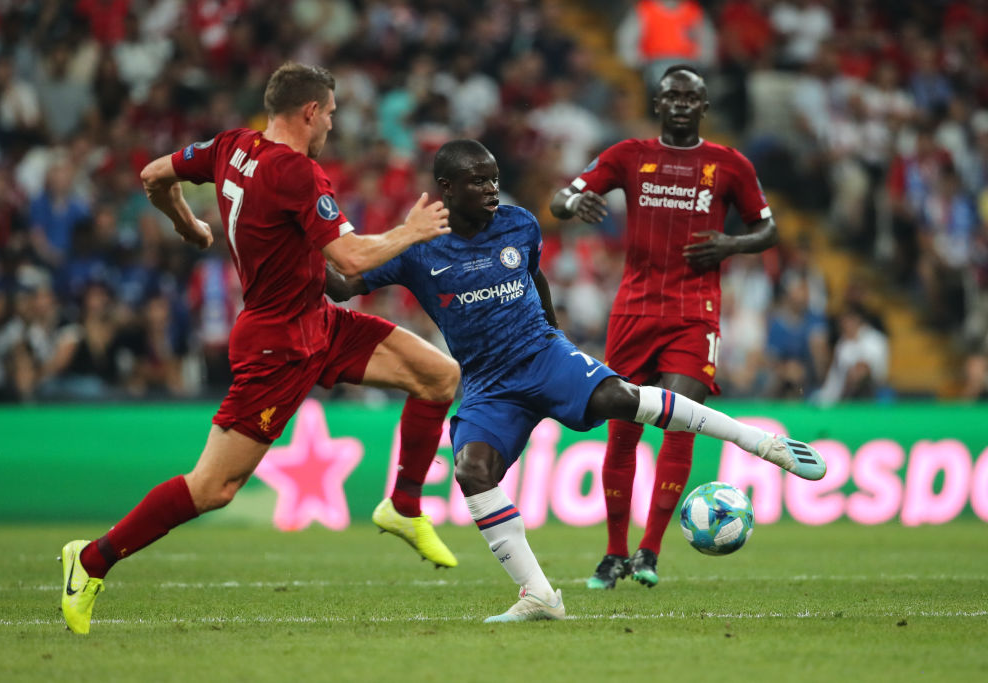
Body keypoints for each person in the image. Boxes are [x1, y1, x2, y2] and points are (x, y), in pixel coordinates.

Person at [328, 139, 826, 622]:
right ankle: (539, 595)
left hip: (542, 354)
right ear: (446, 188)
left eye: (494, 179)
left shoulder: (519, 223)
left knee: (621, 397)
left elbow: (534, 275)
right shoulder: (416, 247)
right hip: (488, 383)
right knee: (471, 469)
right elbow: (345, 284)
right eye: (478, 181)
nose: (491, 189)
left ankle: (762, 443)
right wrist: (305, 247)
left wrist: (555, 335)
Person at [59, 62, 462, 635]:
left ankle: (403, 506)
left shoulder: (230, 146)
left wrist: (188, 225)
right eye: (330, 114)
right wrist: (412, 231)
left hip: (317, 321)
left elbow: (153, 175)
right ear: (310, 112)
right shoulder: (297, 173)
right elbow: (349, 260)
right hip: (278, 344)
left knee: (439, 376)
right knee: (213, 487)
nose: (332, 125)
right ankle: (91, 560)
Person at [549, 65, 781, 590]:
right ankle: (614, 553)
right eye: (671, 95)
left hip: (694, 314)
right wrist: (576, 202)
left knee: (681, 422)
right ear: (657, 103)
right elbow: (561, 199)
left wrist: (731, 244)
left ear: (704, 107)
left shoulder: (729, 164)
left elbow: (767, 229)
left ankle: (649, 551)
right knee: (623, 430)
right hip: (633, 312)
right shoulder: (628, 155)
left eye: (689, 97)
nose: (679, 103)